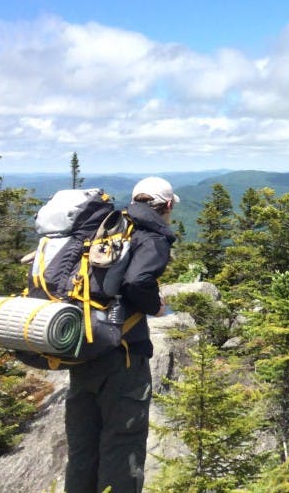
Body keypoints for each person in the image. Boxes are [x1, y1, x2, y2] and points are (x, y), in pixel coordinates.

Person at [64, 176, 178, 493]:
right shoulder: (150, 236)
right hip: (122, 356)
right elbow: (136, 282)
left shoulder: (108, 225)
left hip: (83, 347)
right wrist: (155, 307)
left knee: (82, 451)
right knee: (122, 447)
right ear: (167, 205)